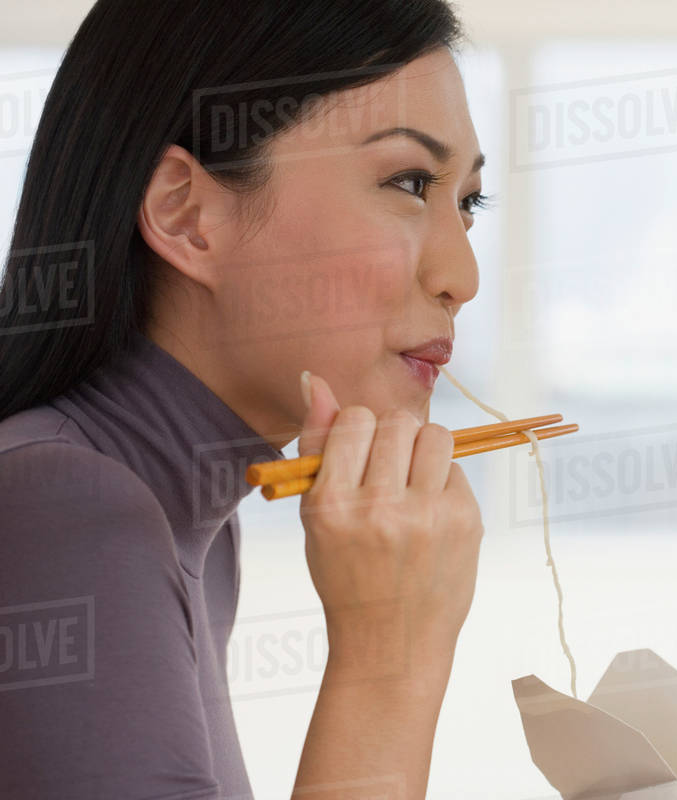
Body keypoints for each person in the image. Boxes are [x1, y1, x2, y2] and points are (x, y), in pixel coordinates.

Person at [0, 1, 488, 798]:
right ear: (186, 215)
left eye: (468, 203)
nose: (461, 278)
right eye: (407, 182)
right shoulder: (65, 507)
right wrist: (388, 661)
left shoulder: (185, 520)